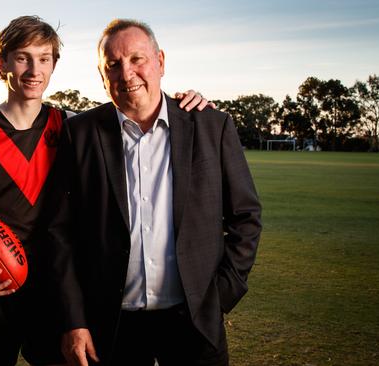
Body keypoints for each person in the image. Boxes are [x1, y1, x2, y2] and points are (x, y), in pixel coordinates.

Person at [0, 15, 212, 366]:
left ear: (54, 64)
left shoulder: (71, 125)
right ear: (1, 62)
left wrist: (191, 100)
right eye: (22, 57)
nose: (34, 69)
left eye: (44, 58)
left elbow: (136, 105)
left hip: (58, 287)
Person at [47, 19, 262, 366]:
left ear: (160, 61)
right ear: (102, 76)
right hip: (112, 326)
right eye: (113, 65)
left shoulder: (211, 125)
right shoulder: (80, 133)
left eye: (137, 59)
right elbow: (60, 233)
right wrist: (74, 320)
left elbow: (246, 217)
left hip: (194, 321)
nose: (127, 73)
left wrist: (220, 295)